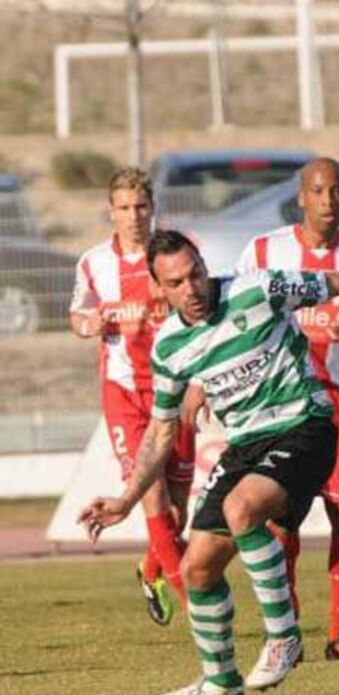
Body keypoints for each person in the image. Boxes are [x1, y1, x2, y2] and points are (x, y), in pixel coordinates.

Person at [78, 230, 339, 695]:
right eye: (177, 282)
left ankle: (284, 635)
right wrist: (124, 501)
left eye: (196, 273)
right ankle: (220, 681)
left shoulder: (257, 288)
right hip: (245, 446)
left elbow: (337, 282)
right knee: (197, 568)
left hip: (306, 424)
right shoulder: (171, 348)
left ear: (205, 265)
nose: (192, 288)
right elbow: (160, 434)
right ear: (160, 289)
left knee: (243, 509)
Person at [235, 157, 339, 660]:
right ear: (301, 197)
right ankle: (283, 633)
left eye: (336, 191)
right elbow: (235, 317)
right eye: (318, 191)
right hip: (281, 407)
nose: (328, 201)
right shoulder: (265, 251)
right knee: (280, 523)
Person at [69, 167, 195, 626]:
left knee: (178, 511)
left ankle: (150, 569)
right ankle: (197, 609)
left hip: (175, 390)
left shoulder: (174, 255)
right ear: (111, 211)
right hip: (124, 394)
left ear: (152, 208)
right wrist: (90, 324)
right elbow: (79, 315)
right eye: (124, 208)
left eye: (140, 206)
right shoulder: (94, 262)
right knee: (152, 494)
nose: (133, 216)